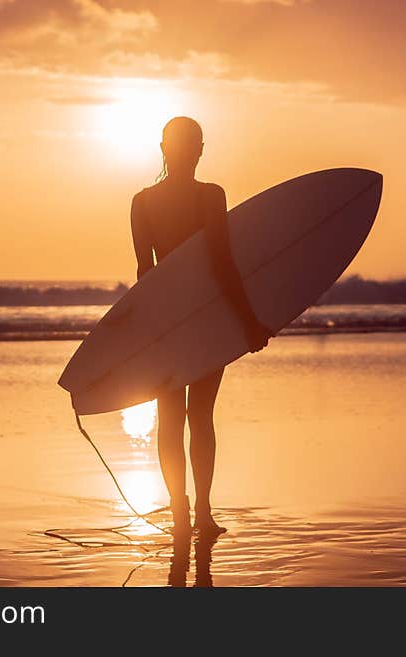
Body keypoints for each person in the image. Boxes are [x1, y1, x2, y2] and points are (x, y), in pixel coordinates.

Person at [130, 116, 272, 536]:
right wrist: (248, 320)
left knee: (170, 418)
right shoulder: (211, 196)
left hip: (167, 322)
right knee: (201, 417)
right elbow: (222, 263)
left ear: (163, 148)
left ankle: (180, 514)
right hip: (209, 319)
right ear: (200, 149)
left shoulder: (142, 202)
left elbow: (145, 274)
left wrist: (146, 333)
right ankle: (204, 513)